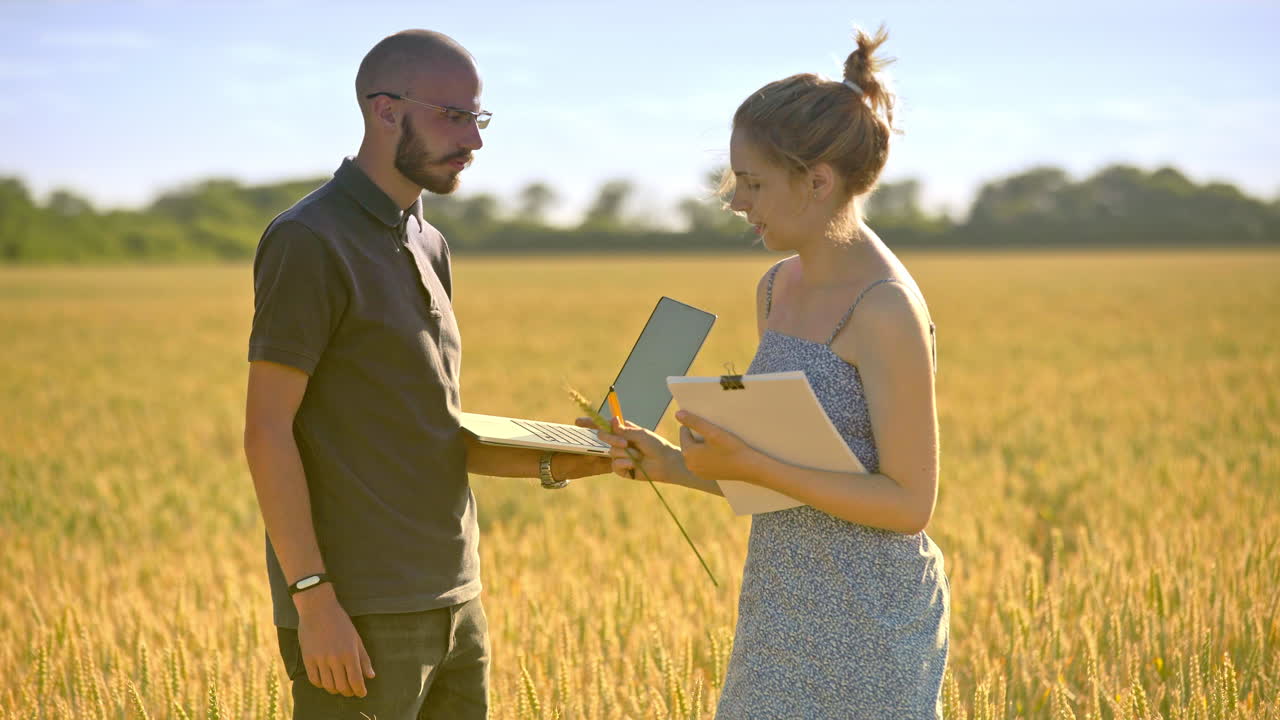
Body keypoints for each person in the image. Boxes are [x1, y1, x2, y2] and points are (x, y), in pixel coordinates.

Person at [242, 29, 608, 719]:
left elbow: (430, 432)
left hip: (456, 599)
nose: (474, 139)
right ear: (385, 111)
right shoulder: (309, 240)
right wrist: (314, 598)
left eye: (479, 117)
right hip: (361, 612)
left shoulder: (428, 241)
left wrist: (574, 460)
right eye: (454, 116)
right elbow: (266, 431)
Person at [590, 27, 949, 718]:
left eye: (751, 182)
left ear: (817, 182)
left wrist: (754, 465)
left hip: (871, 626)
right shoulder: (775, 287)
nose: (735, 201)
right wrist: (667, 462)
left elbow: (908, 504)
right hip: (780, 612)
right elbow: (783, 474)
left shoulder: (885, 309)